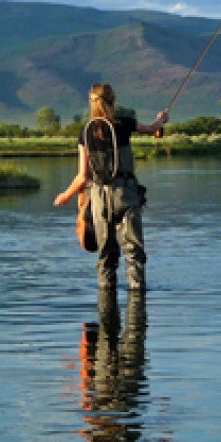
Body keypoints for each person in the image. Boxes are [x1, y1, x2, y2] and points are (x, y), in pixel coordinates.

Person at [53, 83, 168, 290]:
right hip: (126, 194)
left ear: (92, 104)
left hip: (99, 198)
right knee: (133, 252)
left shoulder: (85, 132)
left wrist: (65, 195)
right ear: (113, 101)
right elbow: (152, 129)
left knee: (106, 253)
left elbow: (82, 177)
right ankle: (137, 295)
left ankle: (106, 299)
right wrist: (162, 119)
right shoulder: (124, 124)